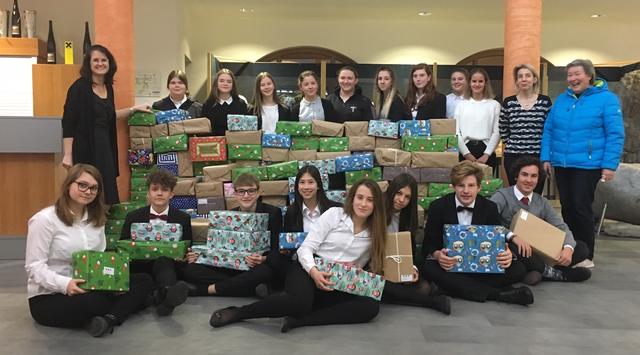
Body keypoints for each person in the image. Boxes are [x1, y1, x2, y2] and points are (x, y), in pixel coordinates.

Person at [208, 180, 386, 332]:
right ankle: (239, 312)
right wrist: (314, 272)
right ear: (352, 198)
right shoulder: (335, 215)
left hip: (338, 280)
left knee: (371, 306)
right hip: (307, 269)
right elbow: (305, 248)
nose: (363, 204)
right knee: (300, 302)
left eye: (370, 200)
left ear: (376, 204)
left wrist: (357, 268)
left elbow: (373, 263)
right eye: (360, 197)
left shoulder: (377, 231)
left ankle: (303, 320)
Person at [25, 164, 153, 337]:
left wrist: (113, 283)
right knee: (96, 303)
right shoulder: (45, 220)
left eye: (94, 188)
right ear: (69, 184)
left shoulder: (97, 220)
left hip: (91, 286)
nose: (88, 191)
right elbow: (34, 266)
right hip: (50, 295)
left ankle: (108, 319)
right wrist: (65, 284)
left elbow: (99, 259)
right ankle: (126, 307)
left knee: (143, 280)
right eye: (82, 185)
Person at [540, 59, 625, 268]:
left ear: (589, 75)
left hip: (588, 165)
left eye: (577, 74)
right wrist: (546, 157)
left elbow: (615, 134)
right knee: (567, 208)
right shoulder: (562, 99)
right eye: (569, 75)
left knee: (581, 206)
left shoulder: (607, 100)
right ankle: (570, 249)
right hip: (562, 163)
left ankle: (586, 255)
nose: (572, 79)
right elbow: (549, 130)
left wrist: (609, 165)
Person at [421, 161, 532, 306]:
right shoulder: (438, 207)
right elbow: (428, 245)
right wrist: (438, 255)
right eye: (461, 185)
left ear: (479, 187)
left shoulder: (489, 207)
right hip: (451, 267)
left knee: (518, 269)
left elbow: (498, 238)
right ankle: (498, 294)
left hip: (480, 267)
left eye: (471, 185)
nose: (466, 191)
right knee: (429, 267)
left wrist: (507, 254)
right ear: (453, 186)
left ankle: (454, 288)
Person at [61, 44, 150, 204]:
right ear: (88, 63)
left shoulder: (108, 87)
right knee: (86, 192)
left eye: (104, 60)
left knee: (105, 194)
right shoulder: (78, 88)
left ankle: (101, 226)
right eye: (95, 60)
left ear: (110, 64)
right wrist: (68, 155)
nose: (100, 63)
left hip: (105, 148)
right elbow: (68, 123)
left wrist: (133, 109)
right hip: (85, 148)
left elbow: (108, 117)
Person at [490, 156, 592, 285]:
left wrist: (568, 248)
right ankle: (557, 274)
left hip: (538, 251)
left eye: (534, 176)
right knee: (517, 248)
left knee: (581, 247)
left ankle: (538, 270)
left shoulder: (541, 202)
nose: (529, 180)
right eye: (524, 175)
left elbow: (561, 226)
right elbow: (488, 220)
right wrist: (512, 237)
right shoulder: (502, 196)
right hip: (513, 249)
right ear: (516, 176)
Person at [180, 173, 282, 297]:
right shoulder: (229, 215)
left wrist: (263, 259)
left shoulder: (273, 213)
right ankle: (249, 288)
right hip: (232, 268)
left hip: (256, 268)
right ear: (234, 193)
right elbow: (220, 248)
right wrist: (200, 256)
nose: (246, 195)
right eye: (241, 191)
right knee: (190, 270)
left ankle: (206, 290)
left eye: (251, 191)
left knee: (264, 272)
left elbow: (278, 250)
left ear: (259, 192)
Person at [119, 169, 193, 316]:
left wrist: (187, 255)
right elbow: (123, 244)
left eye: (164, 190)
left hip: (168, 265)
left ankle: (165, 293)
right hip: (140, 265)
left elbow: (188, 245)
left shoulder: (183, 218)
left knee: (164, 262)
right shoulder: (133, 216)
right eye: (155, 189)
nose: (159, 193)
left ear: (171, 194)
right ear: (148, 192)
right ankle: (165, 298)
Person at [382, 174, 451, 314]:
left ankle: (393, 295)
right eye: (399, 193)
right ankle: (430, 303)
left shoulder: (407, 216)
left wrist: (412, 269)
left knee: (423, 287)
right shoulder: (377, 209)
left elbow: (410, 250)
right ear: (391, 190)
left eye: (407, 197)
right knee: (382, 285)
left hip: (397, 265)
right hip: (376, 265)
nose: (402, 200)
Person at [500, 64, 552, 193]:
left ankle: (533, 215)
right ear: (517, 81)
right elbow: (503, 128)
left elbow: (550, 129)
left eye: (528, 76)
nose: (523, 79)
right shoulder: (509, 102)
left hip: (538, 156)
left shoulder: (545, 102)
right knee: (517, 194)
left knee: (535, 195)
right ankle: (517, 215)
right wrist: (515, 144)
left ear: (534, 79)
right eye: (520, 76)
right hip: (514, 156)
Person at [455, 68, 501, 168]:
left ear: (485, 83)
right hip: (465, 149)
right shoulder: (461, 105)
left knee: (486, 183)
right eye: (474, 81)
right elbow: (456, 131)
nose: (477, 84)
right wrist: (466, 154)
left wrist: (487, 154)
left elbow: (497, 132)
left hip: (486, 150)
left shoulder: (494, 105)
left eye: (480, 81)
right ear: (469, 83)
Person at [202, 68, 249, 136]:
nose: (225, 84)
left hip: (235, 144)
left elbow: (246, 129)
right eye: (221, 81)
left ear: (233, 85)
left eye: (229, 81)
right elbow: (204, 130)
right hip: (214, 144)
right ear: (216, 83)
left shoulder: (241, 104)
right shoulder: (208, 104)